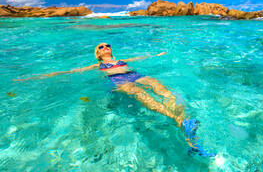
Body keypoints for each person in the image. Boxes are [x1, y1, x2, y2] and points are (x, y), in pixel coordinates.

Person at [15, 43, 215, 157]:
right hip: (118, 81)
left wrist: (160, 53)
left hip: (136, 74)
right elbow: (68, 71)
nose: (106, 47)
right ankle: (179, 121)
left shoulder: (123, 61)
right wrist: (33, 77)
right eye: (101, 47)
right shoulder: (96, 66)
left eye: (107, 45)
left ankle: (187, 129)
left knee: (162, 90)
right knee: (140, 95)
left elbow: (143, 58)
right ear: (98, 54)